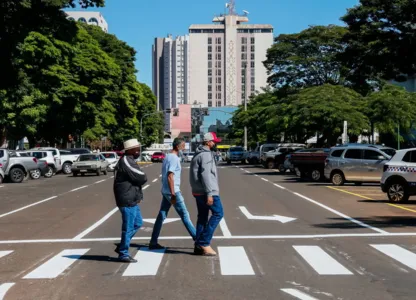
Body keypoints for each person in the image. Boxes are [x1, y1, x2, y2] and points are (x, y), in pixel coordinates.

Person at [149, 138, 196, 249]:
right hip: (172, 191)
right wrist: (173, 194)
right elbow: (170, 176)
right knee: (185, 215)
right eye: (183, 146)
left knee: (161, 215)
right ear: (177, 146)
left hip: (165, 191)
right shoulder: (174, 158)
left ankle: (153, 241)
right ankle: (198, 240)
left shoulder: (167, 156)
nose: (184, 149)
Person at [190, 132, 224, 256]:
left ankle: (198, 247)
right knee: (218, 213)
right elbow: (206, 175)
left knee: (202, 217)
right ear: (207, 142)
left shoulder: (198, 153)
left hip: (198, 191)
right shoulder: (206, 155)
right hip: (207, 191)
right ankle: (203, 242)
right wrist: (210, 193)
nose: (215, 143)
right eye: (213, 141)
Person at [113, 138, 147, 262]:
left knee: (138, 223)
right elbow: (142, 177)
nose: (139, 150)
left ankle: (122, 246)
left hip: (131, 198)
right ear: (130, 150)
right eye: (137, 148)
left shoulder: (129, 160)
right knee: (128, 227)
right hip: (126, 199)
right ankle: (123, 253)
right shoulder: (127, 161)